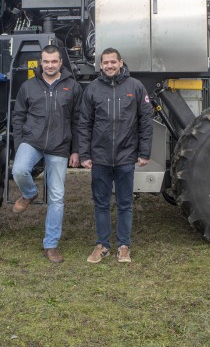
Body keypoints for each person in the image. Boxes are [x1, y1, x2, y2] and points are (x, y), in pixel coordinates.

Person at [77, 48, 153, 264]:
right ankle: (102, 245)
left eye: (113, 62)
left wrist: (144, 152)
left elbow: (145, 122)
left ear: (121, 63)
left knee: (125, 203)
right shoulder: (92, 89)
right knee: (100, 203)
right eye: (105, 63)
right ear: (100, 66)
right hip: (100, 157)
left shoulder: (135, 87)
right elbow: (84, 124)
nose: (109, 66)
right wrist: (85, 153)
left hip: (126, 156)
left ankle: (124, 246)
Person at [10, 45, 83, 263]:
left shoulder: (73, 87)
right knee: (20, 170)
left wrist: (76, 149)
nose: (49, 65)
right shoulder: (28, 86)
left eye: (54, 61)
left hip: (60, 146)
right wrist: (19, 143)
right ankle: (30, 193)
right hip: (32, 141)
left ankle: (51, 245)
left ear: (61, 62)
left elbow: (79, 121)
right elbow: (18, 116)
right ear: (41, 63)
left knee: (57, 197)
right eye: (46, 61)